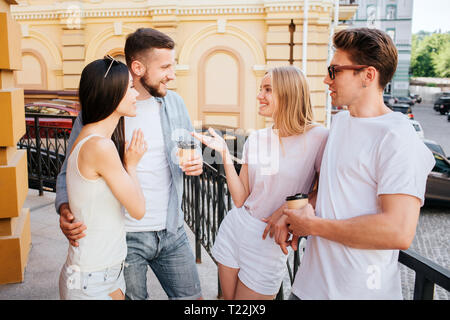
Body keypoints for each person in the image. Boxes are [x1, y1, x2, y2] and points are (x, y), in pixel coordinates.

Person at [283, 28, 435, 300]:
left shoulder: (397, 137)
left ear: (368, 75)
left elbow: (398, 230)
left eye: (335, 71)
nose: (325, 80)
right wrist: (297, 213)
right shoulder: (340, 122)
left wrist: (313, 226)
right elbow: (334, 191)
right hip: (308, 287)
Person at [56, 28, 204, 300]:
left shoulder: (175, 104)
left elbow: (187, 148)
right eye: (165, 66)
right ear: (137, 67)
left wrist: (195, 161)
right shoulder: (100, 112)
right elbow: (70, 169)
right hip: (126, 236)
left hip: (172, 230)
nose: (173, 73)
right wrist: (66, 207)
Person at [192, 66, 329, 300]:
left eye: (267, 90)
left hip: (269, 241)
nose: (259, 96)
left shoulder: (319, 138)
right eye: (260, 89)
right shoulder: (256, 139)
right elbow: (240, 198)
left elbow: (325, 191)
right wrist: (224, 154)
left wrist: (286, 210)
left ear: (288, 92)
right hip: (236, 227)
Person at [59, 56, 147, 300]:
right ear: (113, 93)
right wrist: (132, 165)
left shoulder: (91, 138)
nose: (136, 93)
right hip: (90, 279)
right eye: (130, 87)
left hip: (104, 274)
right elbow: (138, 210)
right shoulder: (100, 147)